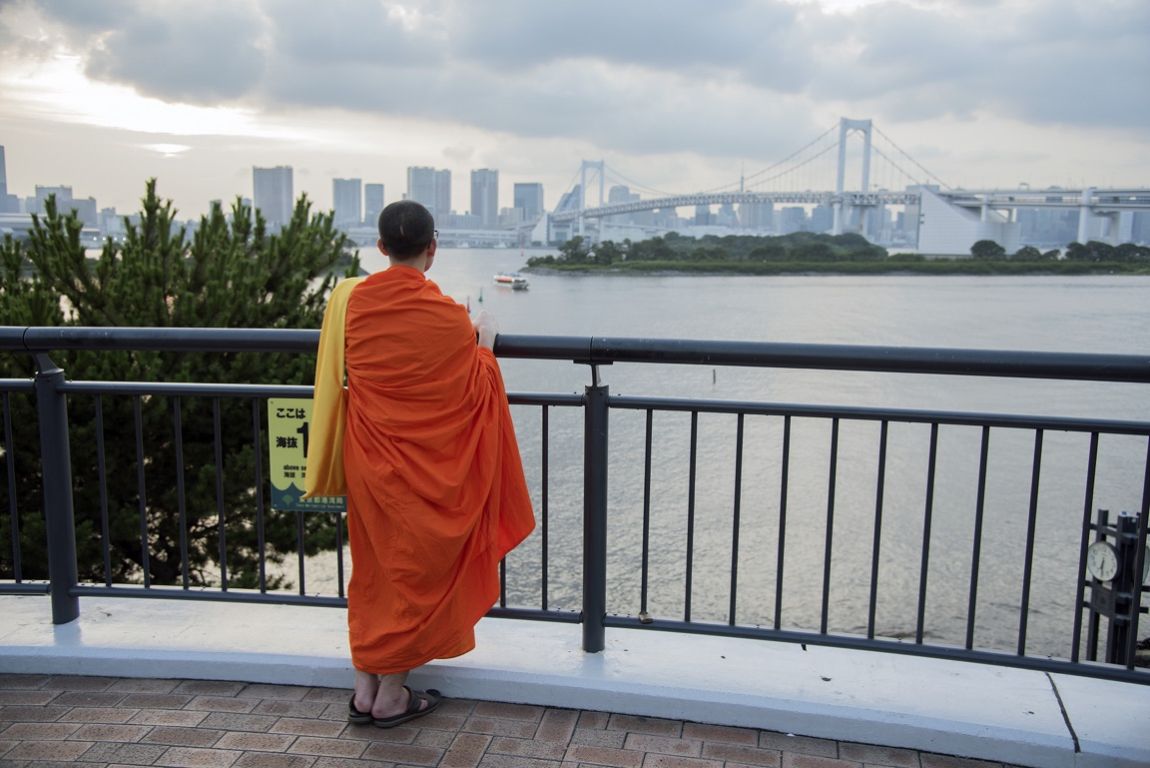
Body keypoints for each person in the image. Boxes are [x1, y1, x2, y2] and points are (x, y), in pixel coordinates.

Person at [304, 200, 535, 728]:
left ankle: (367, 686)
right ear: (433, 249)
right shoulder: (448, 317)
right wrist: (486, 343)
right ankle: (391, 694)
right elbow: (474, 388)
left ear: (381, 248)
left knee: (376, 566)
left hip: (369, 460)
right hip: (426, 468)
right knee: (417, 570)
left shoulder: (352, 304)